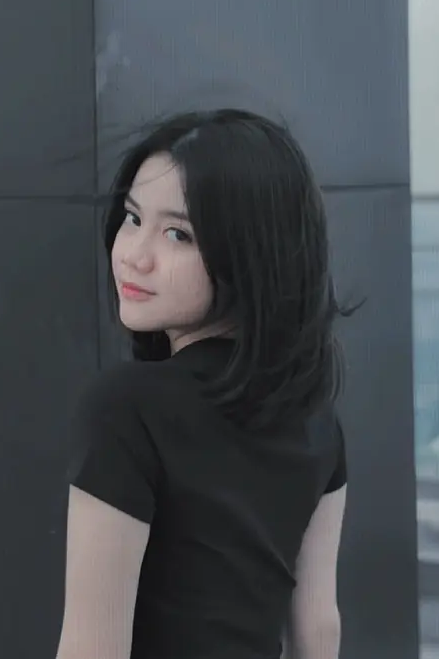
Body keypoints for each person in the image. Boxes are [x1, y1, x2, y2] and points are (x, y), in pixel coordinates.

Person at [56, 108, 362, 659]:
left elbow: (91, 649)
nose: (134, 255)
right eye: (132, 218)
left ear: (251, 254)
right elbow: (318, 631)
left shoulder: (126, 410)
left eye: (178, 234)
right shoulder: (318, 419)